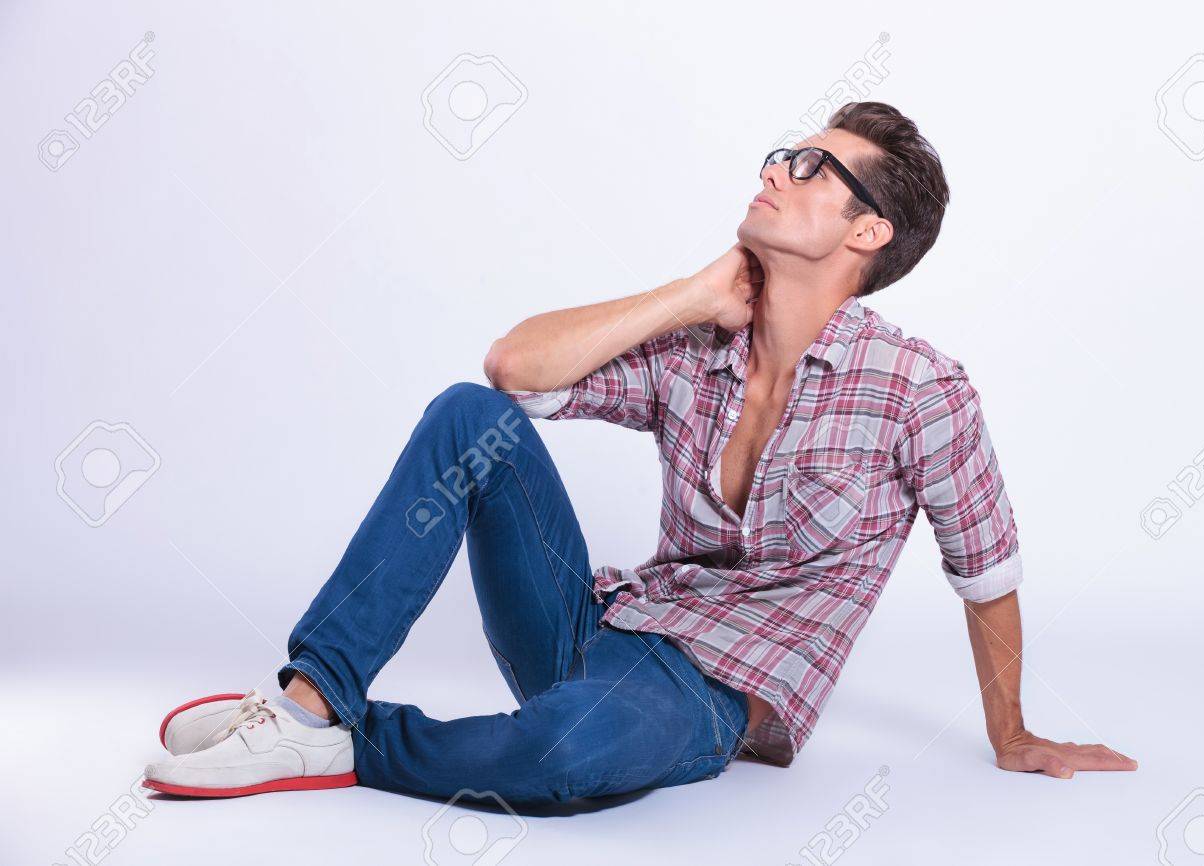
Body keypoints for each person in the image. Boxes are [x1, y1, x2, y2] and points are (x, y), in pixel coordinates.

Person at [143, 101, 1137, 806]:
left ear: (868, 230)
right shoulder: (698, 345)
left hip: (703, 693)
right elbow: (512, 371)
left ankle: (344, 745)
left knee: (562, 755)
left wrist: (1011, 732)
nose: (774, 171)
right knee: (469, 418)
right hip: (594, 625)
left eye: (810, 168)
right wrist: (693, 294)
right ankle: (308, 702)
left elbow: (985, 569)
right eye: (782, 154)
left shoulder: (919, 389)